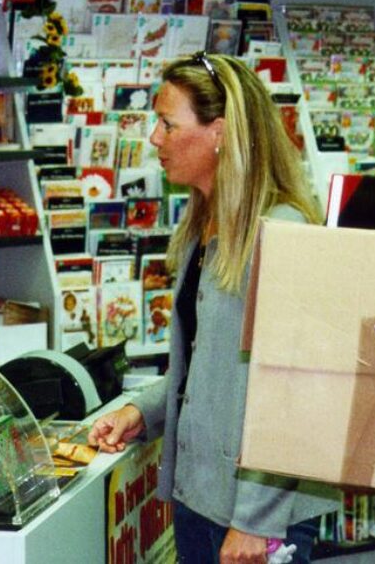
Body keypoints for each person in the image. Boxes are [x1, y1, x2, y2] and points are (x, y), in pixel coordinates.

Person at [88, 52, 337, 563]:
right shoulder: (204, 225)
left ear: (220, 131)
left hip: (253, 517)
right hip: (200, 498)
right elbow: (212, 366)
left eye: (167, 124)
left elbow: (298, 393)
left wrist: (253, 522)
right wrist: (146, 410)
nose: (154, 139)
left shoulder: (283, 233)